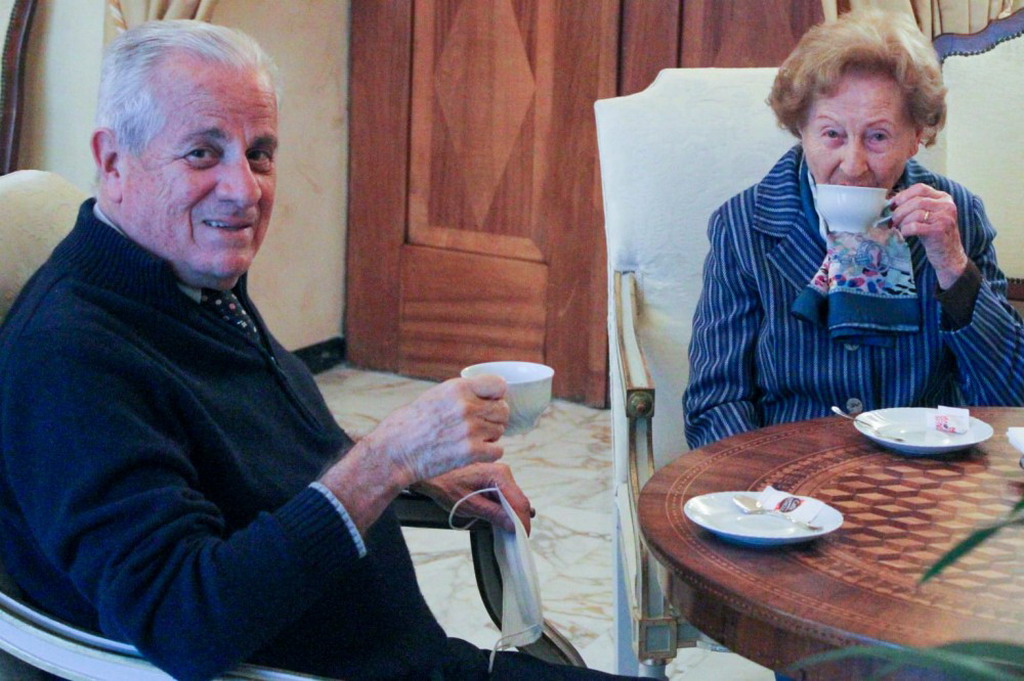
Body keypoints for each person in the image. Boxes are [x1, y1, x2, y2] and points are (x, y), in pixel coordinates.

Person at [0, 20, 639, 681]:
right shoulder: (69, 358)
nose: (244, 189)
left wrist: (415, 470)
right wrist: (385, 461)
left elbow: (246, 457)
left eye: (259, 154)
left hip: (418, 662)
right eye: (202, 153)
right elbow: (184, 620)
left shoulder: (186, 284)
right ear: (112, 161)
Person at [683, 8, 1024, 450]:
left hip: (926, 476)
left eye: (878, 137)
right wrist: (762, 486)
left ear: (916, 136)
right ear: (801, 129)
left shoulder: (957, 217)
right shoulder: (745, 226)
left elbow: (1010, 400)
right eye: (832, 135)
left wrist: (953, 267)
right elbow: (715, 402)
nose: (853, 165)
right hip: (785, 475)